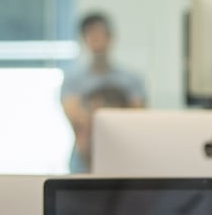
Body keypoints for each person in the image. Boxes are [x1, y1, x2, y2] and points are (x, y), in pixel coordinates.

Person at [60, 11, 147, 173]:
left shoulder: (132, 79)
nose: (96, 40)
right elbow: (77, 120)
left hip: (125, 157)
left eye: (100, 34)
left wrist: (95, 114)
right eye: (91, 34)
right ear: (83, 39)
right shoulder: (72, 80)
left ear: (111, 37)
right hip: (83, 163)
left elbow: (137, 120)